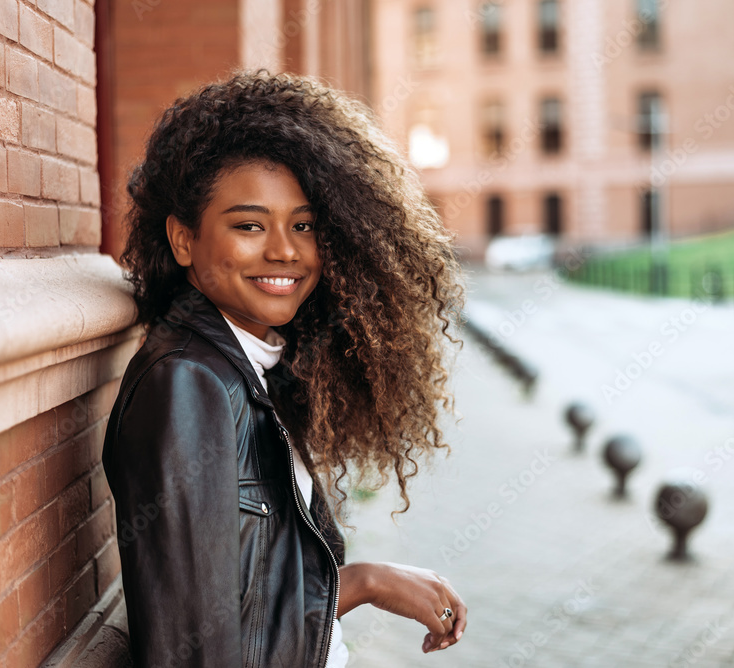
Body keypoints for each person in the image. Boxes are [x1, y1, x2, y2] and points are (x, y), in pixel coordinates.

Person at [101, 70, 467, 667]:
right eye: (249, 225)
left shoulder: (253, 366)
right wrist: (366, 582)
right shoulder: (190, 385)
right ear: (183, 240)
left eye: (304, 226)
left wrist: (364, 584)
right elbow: (200, 650)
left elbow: (249, 609)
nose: (285, 251)